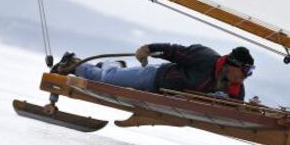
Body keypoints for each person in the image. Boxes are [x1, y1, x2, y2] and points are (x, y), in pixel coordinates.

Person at [57, 43, 255, 101]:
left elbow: (235, 106)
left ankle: (105, 67)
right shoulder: (204, 57)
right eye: (244, 71)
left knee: (107, 82)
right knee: (105, 81)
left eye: (248, 73)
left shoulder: (236, 87)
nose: (245, 77)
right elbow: (173, 51)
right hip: (153, 77)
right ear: (231, 65)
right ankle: (78, 63)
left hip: (163, 94)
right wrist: (148, 49)